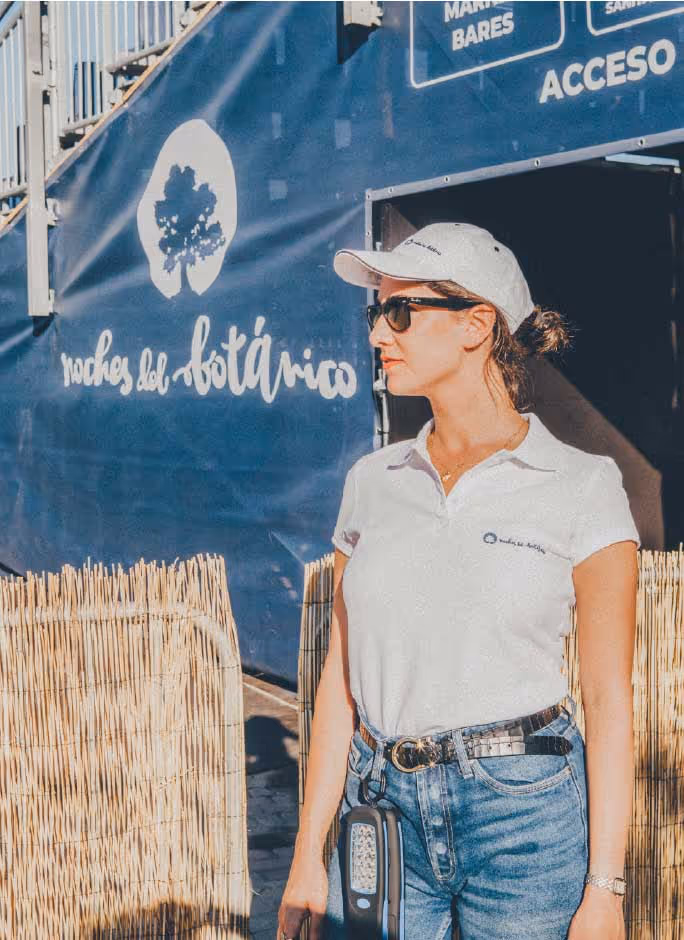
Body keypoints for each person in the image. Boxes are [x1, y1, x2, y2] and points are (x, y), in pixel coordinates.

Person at [276, 222, 640, 940]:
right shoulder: (372, 482)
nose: (377, 333)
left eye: (399, 311)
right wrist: (306, 857)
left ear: (477, 325)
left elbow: (607, 700)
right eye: (376, 311)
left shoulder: (583, 486)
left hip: (525, 819)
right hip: (381, 812)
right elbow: (340, 682)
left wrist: (606, 889)